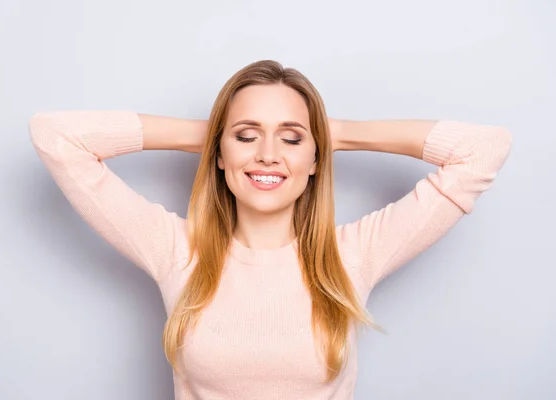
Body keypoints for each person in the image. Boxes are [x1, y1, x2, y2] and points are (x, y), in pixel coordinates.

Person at [28, 59, 512, 399]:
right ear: (218, 154)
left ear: (315, 158)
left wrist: (333, 130)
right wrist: (215, 133)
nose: (267, 154)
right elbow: (56, 136)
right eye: (246, 136)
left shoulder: (354, 255)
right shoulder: (175, 250)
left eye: (291, 138)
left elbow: (484, 148)